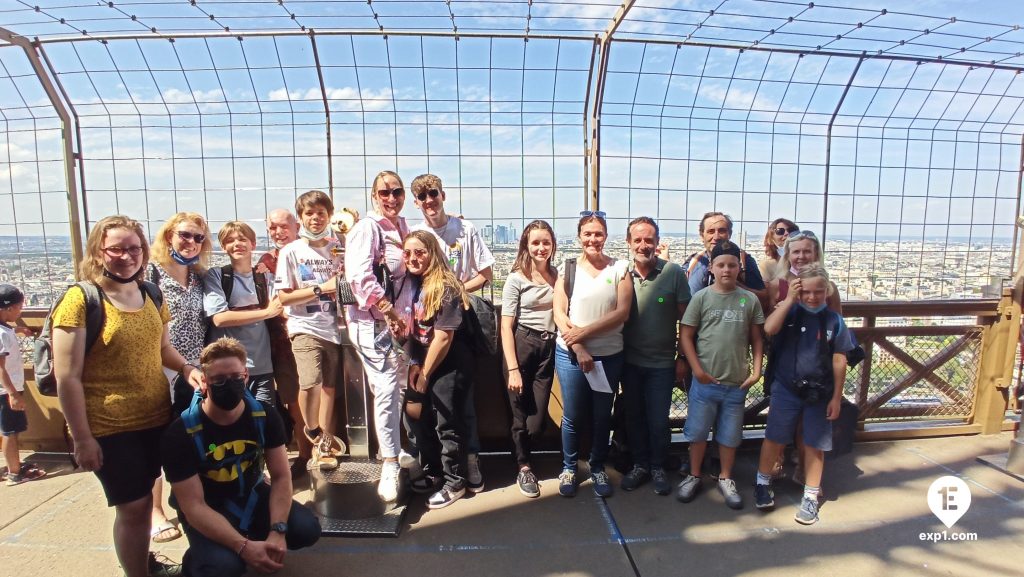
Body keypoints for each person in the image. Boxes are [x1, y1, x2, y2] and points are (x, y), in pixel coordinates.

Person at [52, 215, 203, 577]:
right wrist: (83, 438)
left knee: (149, 497)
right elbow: (67, 377)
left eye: (133, 248)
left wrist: (186, 368)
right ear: (98, 251)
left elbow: (163, 347)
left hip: (155, 417)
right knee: (134, 508)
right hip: (110, 425)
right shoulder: (81, 299)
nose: (126, 256)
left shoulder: (150, 293)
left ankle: (141, 564)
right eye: (116, 248)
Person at [161, 337, 321, 577]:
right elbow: (194, 506)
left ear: (246, 376)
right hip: (209, 507)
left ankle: (252, 538)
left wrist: (277, 531)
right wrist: (244, 548)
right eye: (219, 380)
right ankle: (198, 560)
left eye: (236, 378)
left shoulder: (264, 416)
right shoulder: (181, 432)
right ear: (204, 381)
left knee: (306, 529)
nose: (229, 384)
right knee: (224, 568)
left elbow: (280, 476)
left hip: (251, 497)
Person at [411, 173, 495, 493]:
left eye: (433, 194)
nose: (429, 201)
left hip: (457, 324)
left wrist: (455, 291)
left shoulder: (465, 229)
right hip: (423, 327)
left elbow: (485, 274)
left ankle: (470, 458)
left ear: (443, 195)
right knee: (430, 403)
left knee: (462, 401)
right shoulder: (415, 234)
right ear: (416, 203)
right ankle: (439, 467)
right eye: (422, 197)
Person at [753, 264, 855, 525]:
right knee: (774, 437)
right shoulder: (791, 312)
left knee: (814, 444)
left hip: (820, 391)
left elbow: (840, 359)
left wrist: (836, 397)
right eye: (806, 292)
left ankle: (810, 495)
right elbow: (770, 329)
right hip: (786, 387)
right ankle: (762, 482)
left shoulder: (834, 321)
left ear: (827, 291)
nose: (812, 297)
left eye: (818, 292)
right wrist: (789, 300)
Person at [676, 240, 764, 510]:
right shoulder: (702, 297)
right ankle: (695, 474)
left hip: (736, 382)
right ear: (711, 268)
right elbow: (686, 335)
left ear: (740, 267)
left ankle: (726, 477)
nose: (727, 269)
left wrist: (758, 369)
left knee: (730, 434)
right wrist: (697, 369)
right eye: (721, 265)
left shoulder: (748, 299)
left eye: (732, 265)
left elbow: (757, 338)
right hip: (706, 381)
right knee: (698, 432)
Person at [552, 211, 632, 499]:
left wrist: (582, 334)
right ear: (579, 237)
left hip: (609, 356)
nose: (593, 239)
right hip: (572, 355)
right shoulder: (568, 267)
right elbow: (559, 312)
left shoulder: (620, 269)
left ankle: (597, 465)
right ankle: (569, 466)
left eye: (598, 234)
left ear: (606, 236)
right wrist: (578, 346)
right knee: (572, 415)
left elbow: (622, 312)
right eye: (588, 234)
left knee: (601, 415)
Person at [344, 170, 413, 502]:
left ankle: (395, 450)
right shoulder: (367, 228)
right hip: (373, 323)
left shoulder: (400, 227)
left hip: (396, 324)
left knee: (398, 386)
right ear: (373, 196)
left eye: (397, 192)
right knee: (386, 388)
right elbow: (358, 275)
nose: (391, 198)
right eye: (384, 192)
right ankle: (388, 462)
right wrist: (387, 309)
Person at [149, 211, 214, 544]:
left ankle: (190, 499)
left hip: (193, 368)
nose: (191, 243)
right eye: (185, 235)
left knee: (185, 436)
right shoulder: (151, 274)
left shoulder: (199, 276)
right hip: (160, 366)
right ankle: (156, 512)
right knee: (156, 437)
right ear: (168, 236)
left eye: (198, 238)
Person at [401, 230, 476, 509]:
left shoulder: (444, 285)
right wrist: (414, 364)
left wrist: (425, 373)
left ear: (432, 253)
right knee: (417, 417)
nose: (413, 258)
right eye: (407, 253)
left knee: (448, 423)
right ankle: (434, 471)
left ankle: (455, 481)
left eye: (420, 252)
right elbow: (416, 331)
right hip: (423, 362)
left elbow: (444, 336)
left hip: (448, 364)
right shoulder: (414, 284)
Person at [274, 190, 347, 470]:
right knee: (310, 381)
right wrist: (320, 288)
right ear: (301, 218)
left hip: (335, 327)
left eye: (321, 213)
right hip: (304, 327)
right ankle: (313, 431)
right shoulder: (291, 251)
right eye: (309, 213)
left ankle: (325, 444)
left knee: (329, 388)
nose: (315, 219)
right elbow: (283, 297)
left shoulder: (337, 248)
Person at [619, 217, 690, 496]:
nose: (643, 245)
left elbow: (687, 319)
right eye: (637, 239)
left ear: (657, 243)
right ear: (628, 242)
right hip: (629, 361)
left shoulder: (673, 273)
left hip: (662, 362)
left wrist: (682, 356)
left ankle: (658, 465)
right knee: (634, 416)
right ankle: (640, 464)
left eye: (649, 239)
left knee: (659, 419)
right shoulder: (621, 273)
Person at [500, 220, 558, 498]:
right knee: (519, 413)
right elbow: (506, 325)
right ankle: (523, 466)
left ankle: (526, 453)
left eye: (545, 242)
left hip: (548, 347)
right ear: (526, 245)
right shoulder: (516, 278)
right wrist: (512, 367)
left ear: (553, 245)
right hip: (523, 344)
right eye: (535, 242)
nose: (541, 247)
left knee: (536, 421)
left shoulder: (558, 276)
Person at [256, 208, 312, 475]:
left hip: (310, 332)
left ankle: (315, 451)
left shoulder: (312, 253)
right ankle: (304, 453)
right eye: (272, 228)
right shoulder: (265, 262)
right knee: (293, 397)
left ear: (296, 225)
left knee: (314, 393)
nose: (278, 232)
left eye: (283, 226)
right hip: (280, 340)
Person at [204, 221, 284, 404]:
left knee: (263, 418)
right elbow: (220, 319)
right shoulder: (217, 275)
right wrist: (266, 312)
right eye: (230, 240)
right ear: (223, 247)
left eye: (242, 239)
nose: (237, 244)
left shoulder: (265, 276)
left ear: (253, 244)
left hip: (261, 365)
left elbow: (280, 306)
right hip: (227, 368)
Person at [0, 284, 46, 486]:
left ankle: (12, 464)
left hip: (6, 389)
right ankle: (15, 472)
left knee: (8, 428)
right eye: (19, 307)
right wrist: (13, 394)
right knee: (11, 431)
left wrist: (17, 329)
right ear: (8, 308)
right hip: (6, 390)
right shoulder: (1, 335)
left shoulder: (5, 330)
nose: (20, 311)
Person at [685, 211, 766, 304]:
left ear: (730, 234)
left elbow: (763, 299)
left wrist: (737, 287)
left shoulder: (745, 261)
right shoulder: (693, 262)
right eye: (711, 231)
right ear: (702, 235)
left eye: (722, 231)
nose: (716, 237)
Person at [768, 230, 842, 313]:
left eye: (807, 251)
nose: (801, 256)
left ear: (816, 254)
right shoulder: (775, 286)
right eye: (796, 252)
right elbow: (769, 322)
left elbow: (838, 323)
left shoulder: (830, 287)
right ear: (787, 255)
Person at [758, 218, 799, 284]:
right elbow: (767, 292)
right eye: (780, 231)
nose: (786, 233)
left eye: (791, 230)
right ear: (771, 238)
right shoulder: (767, 265)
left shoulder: (806, 260)